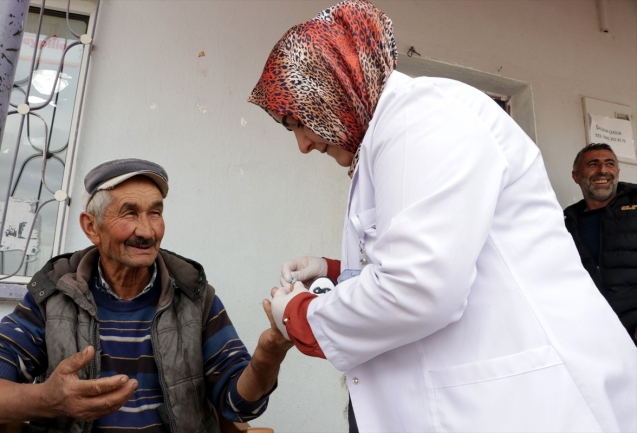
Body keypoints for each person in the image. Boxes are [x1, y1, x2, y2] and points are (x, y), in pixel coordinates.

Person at [247, 1, 636, 432]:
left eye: (298, 122)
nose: (302, 144)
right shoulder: (389, 135)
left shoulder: (425, 117)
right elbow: (434, 256)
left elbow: (418, 288)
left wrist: (298, 315)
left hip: (524, 401)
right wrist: (337, 272)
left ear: (332, 89)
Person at [0, 158, 292, 432]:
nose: (147, 231)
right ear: (92, 227)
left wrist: (268, 356)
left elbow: (240, 406)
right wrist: (48, 400)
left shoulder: (194, 296)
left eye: (155, 213)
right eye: (129, 213)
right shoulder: (53, 295)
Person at [564, 142, 637, 345]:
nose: (603, 170)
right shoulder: (566, 221)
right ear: (576, 176)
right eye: (593, 164)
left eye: (609, 164)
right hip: (597, 337)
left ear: (618, 172)